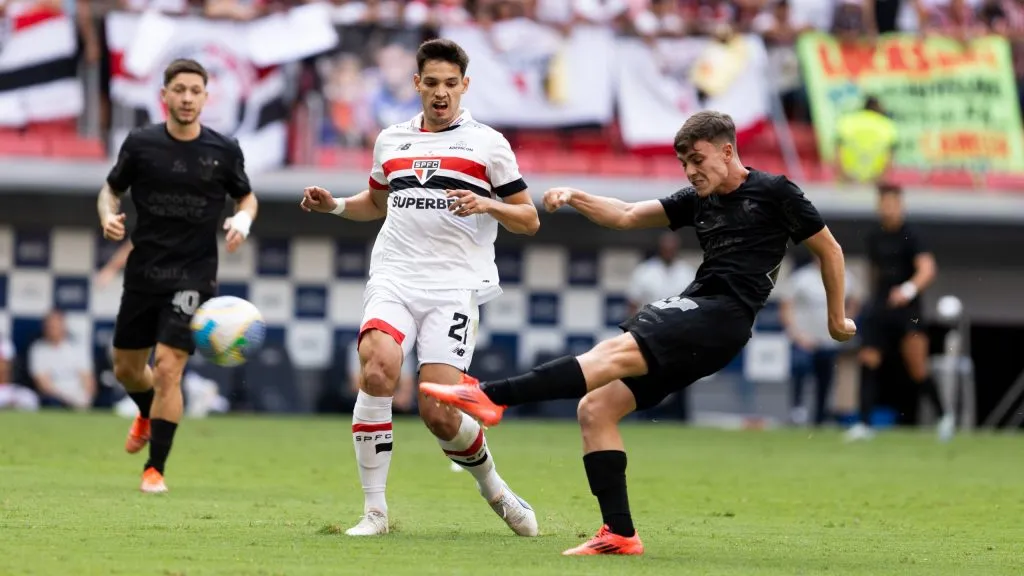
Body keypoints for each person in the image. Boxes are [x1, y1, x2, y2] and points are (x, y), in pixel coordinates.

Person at [420, 111, 856, 555]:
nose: (691, 170)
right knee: (596, 409)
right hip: (704, 320)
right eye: (684, 161)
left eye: (698, 159)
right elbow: (628, 214)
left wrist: (836, 320)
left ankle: (493, 396)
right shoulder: (698, 198)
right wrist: (575, 195)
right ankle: (620, 533)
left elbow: (830, 250)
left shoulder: (775, 191)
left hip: (721, 315)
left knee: (612, 352)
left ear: (728, 151)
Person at [299, 38, 541, 538]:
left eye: (450, 84)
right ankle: (374, 513)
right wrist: (336, 207)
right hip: (394, 276)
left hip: (453, 288)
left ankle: (494, 487)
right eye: (431, 83)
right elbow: (375, 201)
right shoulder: (391, 140)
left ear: (464, 86)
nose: (440, 93)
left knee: (437, 411)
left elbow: (530, 219)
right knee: (378, 367)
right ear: (417, 84)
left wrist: (489, 205)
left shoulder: (488, 143)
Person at [98, 58, 259, 493]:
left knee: (168, 368)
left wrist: (241, 223)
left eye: (195, 91)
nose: (187, 98)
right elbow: (111, 189)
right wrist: (108, 215)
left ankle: (155, 470)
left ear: (206, 97)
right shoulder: (140, 144)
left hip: (194, 275)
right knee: (128, 370)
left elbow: (246, 198)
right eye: (180, 90)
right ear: (164, 95)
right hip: (144, 273)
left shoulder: (223, 149)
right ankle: (145, 411)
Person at [846, 183, 952, 442]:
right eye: (883, 203)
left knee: (917, 368)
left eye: (892, 203)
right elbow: (874, 274)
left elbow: (927, 270)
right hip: (880, 307)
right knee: (868, 360)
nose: (887, 208)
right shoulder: (874, 237)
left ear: (900, 205)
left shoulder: (913, 235)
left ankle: (944, 417)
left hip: (909, 310)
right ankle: (864, 423)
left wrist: (907, 290)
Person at [779, 252, 862, 426]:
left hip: (829, 340)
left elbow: (855, 301)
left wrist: (844, 324)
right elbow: (786, 307)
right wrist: (797, 334)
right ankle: (797, 409)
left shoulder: (844, 276)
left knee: (825, 379)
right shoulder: (802, 278)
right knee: (801, 368)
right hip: (805, 340)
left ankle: (819, 417)